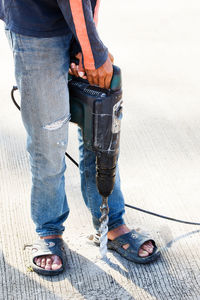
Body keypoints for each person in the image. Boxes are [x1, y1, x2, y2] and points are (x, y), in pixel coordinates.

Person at [0, 0, 160, 275]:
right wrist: (94, 53)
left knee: (99, 125)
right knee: (49, 136)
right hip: (34, 22)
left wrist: (84, 41)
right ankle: (49, 229)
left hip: (73, 16)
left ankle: (110, 222)